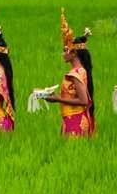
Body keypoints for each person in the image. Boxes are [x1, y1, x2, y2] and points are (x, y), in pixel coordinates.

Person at [40, 9, 96, 137]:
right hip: (71, 118)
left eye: (65, 50)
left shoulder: (76, 74)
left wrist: (57, 99)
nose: (63, 54)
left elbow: (83, 100)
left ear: (74, 53)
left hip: (76, 120)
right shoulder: (80, 71)